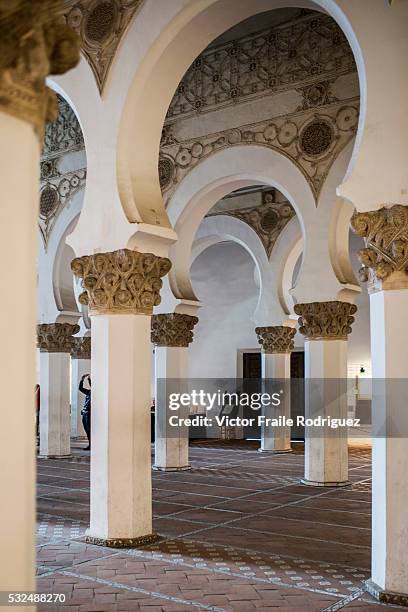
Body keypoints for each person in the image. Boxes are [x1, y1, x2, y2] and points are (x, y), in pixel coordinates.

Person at [79, 374, 91, 450]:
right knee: (86, 430)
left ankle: (91, 445)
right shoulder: (89, 392)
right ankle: (90, 444)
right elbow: (80, 388)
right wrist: (82, 379)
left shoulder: (95, 392)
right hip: (85, 413)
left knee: (90, 430)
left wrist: (89, 379)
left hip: (89, 414)